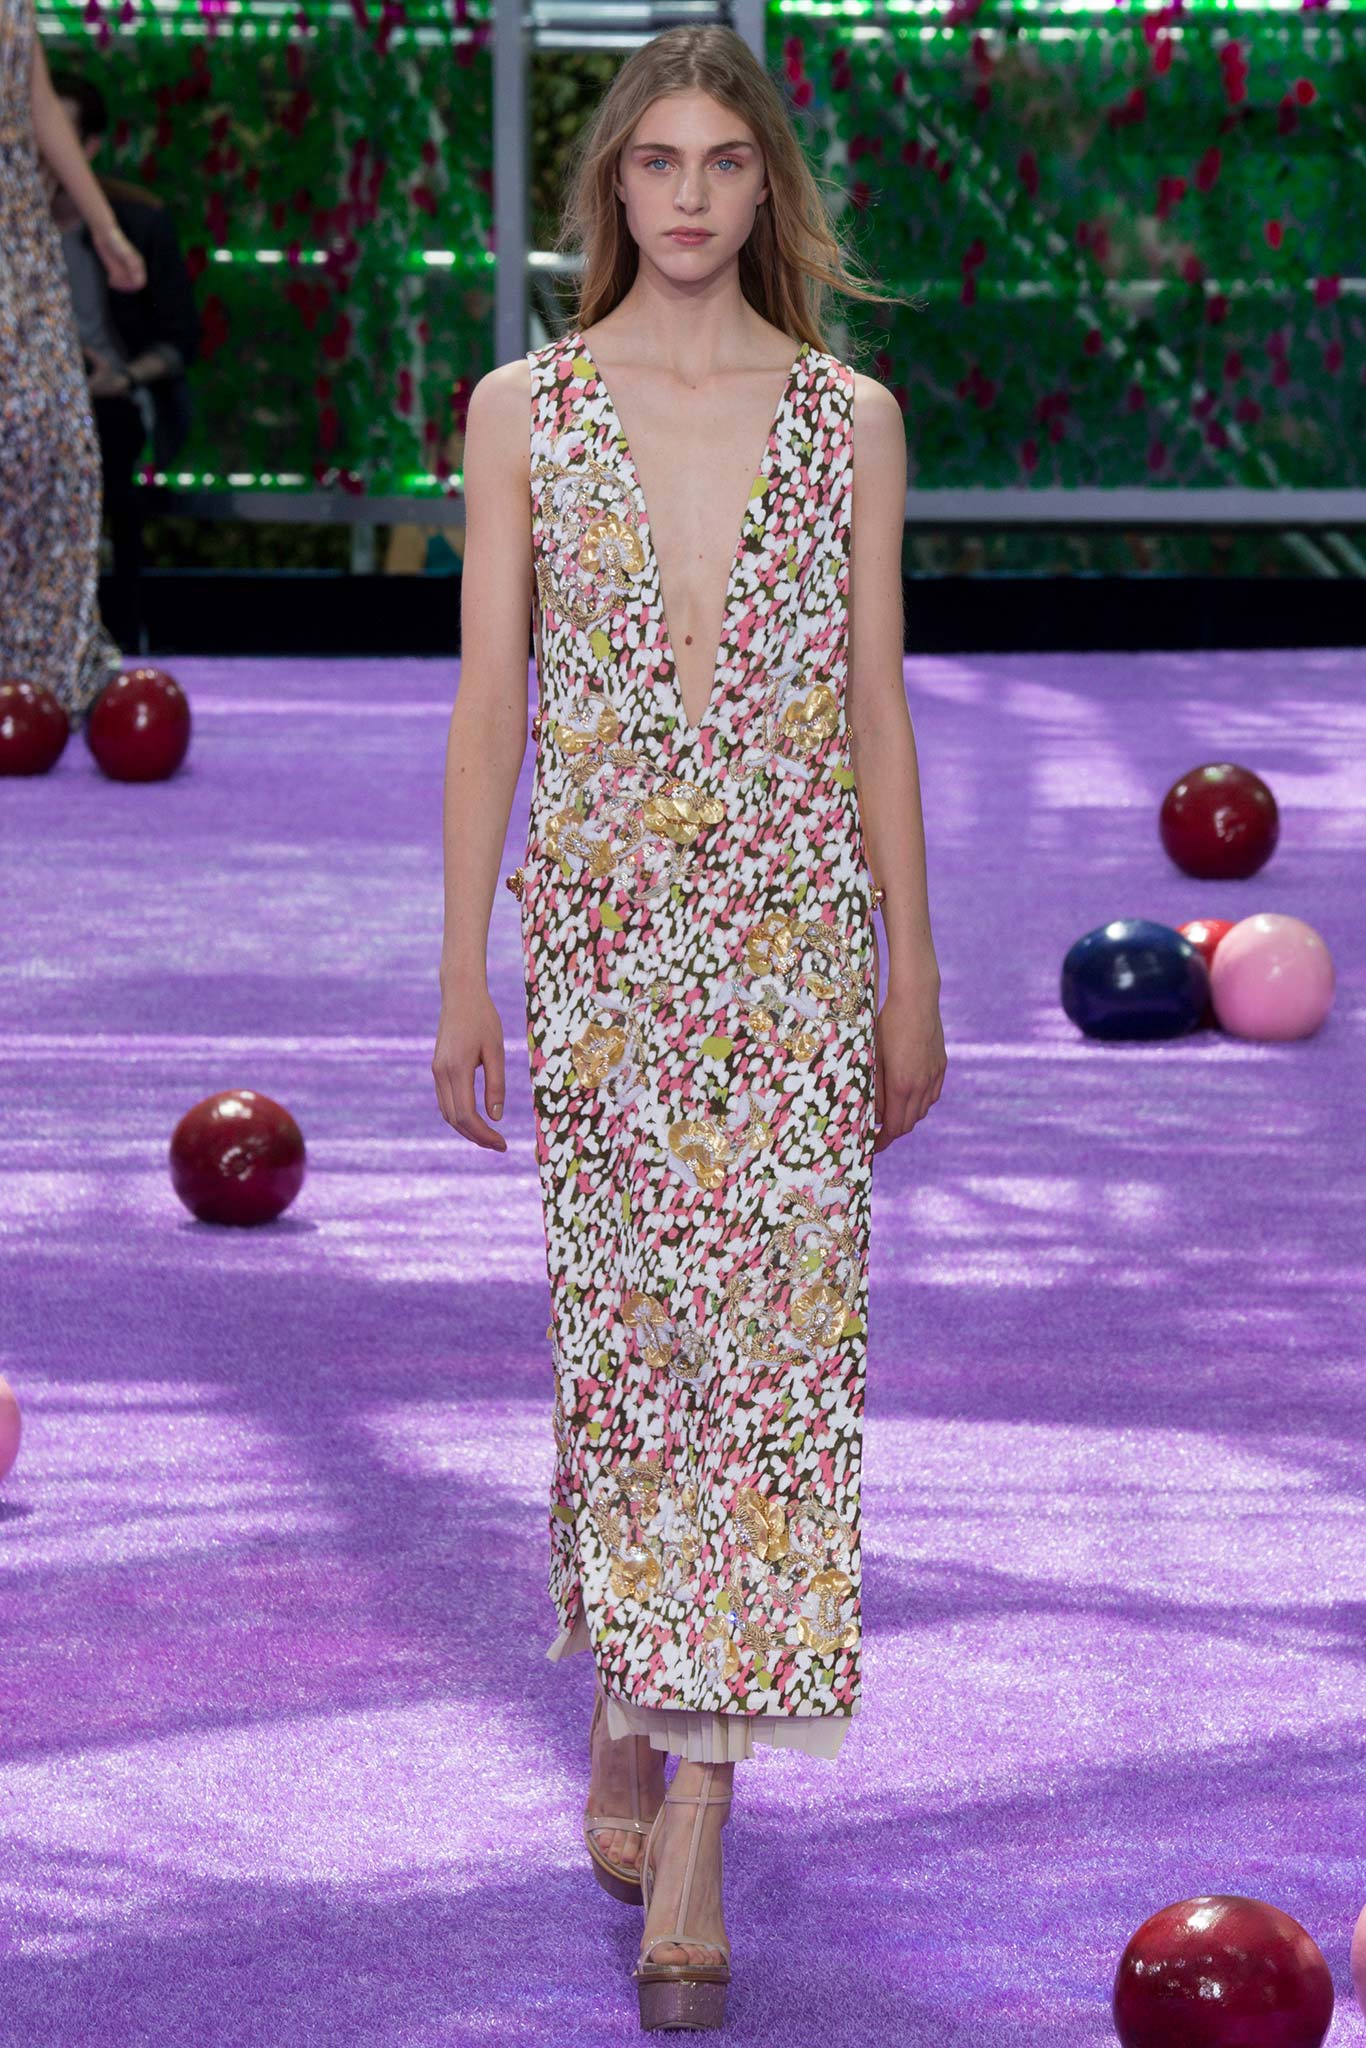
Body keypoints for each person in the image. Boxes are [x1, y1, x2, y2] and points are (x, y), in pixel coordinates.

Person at [432, 24, 946, 2030]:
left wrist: (912, 966)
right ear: (609, 189)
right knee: (638, 1347)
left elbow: (876, 703)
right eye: (656, 161)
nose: (689, 197)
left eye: (725, 162)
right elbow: (492, 702)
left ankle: (703, 1815)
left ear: (766, 190)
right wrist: (456, 967)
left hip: (796, 948)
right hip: (605, 952)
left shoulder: (848, 420)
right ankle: (634, 1688)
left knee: (777, 1365)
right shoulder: (522, 411)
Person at [0, 0, 144, 721]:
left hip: (18, 226)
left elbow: (39, 104)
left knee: (61, 442)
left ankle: (42, 654)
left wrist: (104, 225)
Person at [43, 68, 200, 652]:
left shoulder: (135, 224)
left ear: (87, 147)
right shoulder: (16, 227)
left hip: (109, 401)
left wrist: (120, 377)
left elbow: (179, 337)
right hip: (28, 401)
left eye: (56, 135)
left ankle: (116, 635)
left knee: (103, 436)